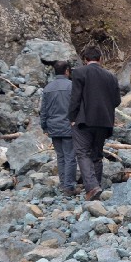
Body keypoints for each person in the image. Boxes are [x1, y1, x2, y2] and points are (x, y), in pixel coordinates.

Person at [69, 44, 121, 200]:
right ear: (101, 59)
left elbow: (75, 98)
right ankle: (96, 187)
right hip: (105, 122)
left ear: (85, 60)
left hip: (84, 120)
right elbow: (117, 101)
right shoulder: (111, 76)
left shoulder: (79, 72)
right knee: (97, 154)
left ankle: (92, 187)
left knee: (82, 152)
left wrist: (71, 118)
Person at [39, 61, 77, 196]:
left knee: (60, 156)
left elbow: (43, 110)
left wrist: (44, 126)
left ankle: (63, 184)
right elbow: (77, 106)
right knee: (70, 157)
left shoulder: (48, 88)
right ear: (67, 71)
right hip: (68, 126)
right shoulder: (72, 86)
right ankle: (69, 186)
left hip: (53, 127)